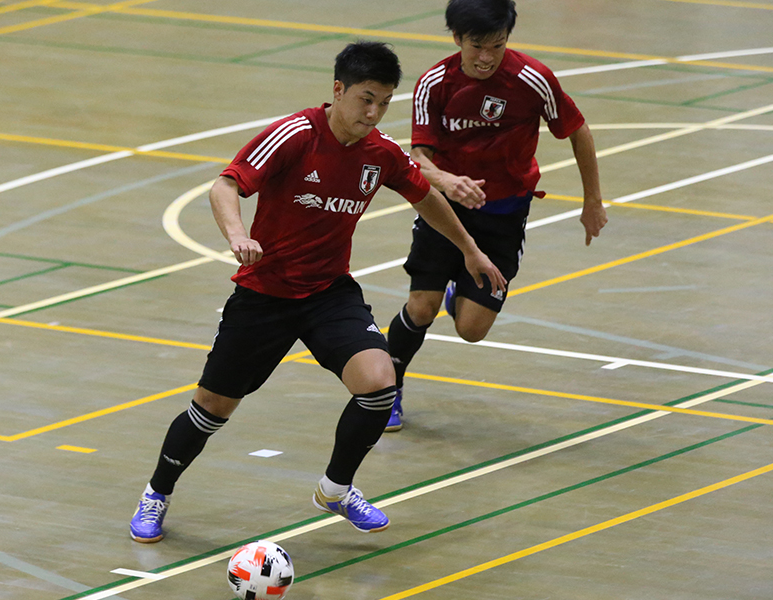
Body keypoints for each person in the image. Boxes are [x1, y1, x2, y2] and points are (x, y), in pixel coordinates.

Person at [129, 40, 505, 542]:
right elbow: (225, 186)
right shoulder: (295, 135)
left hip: (329, 293)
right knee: (212, 408)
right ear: (338, 90)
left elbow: (426, 198)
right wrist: (239, 236)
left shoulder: (383, 154)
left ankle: (335, 488)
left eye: (384, 103)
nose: (372, 113)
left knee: (378, 383)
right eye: (365, 99)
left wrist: (470, 251)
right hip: (265, 296)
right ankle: (157, 492)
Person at [385, 0, 608, 431]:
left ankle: (460, 296)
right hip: (444, 210)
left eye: (497, 46)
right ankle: (388, 388)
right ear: (456, 39)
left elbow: (577, 130)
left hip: (504, 214)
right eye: (476, 47)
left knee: (471, 329)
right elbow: (419, 156)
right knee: (421, 305)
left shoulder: (533, 79)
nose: (486, 57)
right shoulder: (435, 82)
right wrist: (446, 181)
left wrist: (592, 202)